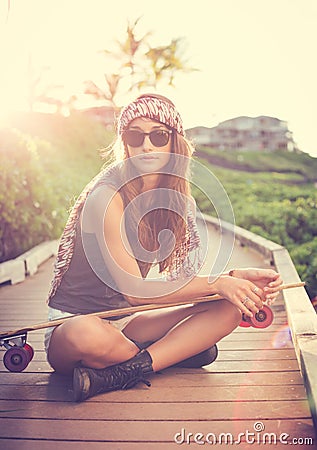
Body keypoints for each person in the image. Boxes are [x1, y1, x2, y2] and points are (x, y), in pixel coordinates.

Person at [45, 93, 282, 402]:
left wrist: (231, 278)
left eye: (158, 135)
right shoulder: (106, 197)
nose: (147, 145)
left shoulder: (176, 201)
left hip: (127, 322)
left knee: (228, 310)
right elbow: (135, 290)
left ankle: (128, 368)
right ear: (125, 143)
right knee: (85, 333)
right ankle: (171, 354)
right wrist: (219, 283)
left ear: (174, 142)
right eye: (135, 135)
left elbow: (180, 285)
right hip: (74, 325)